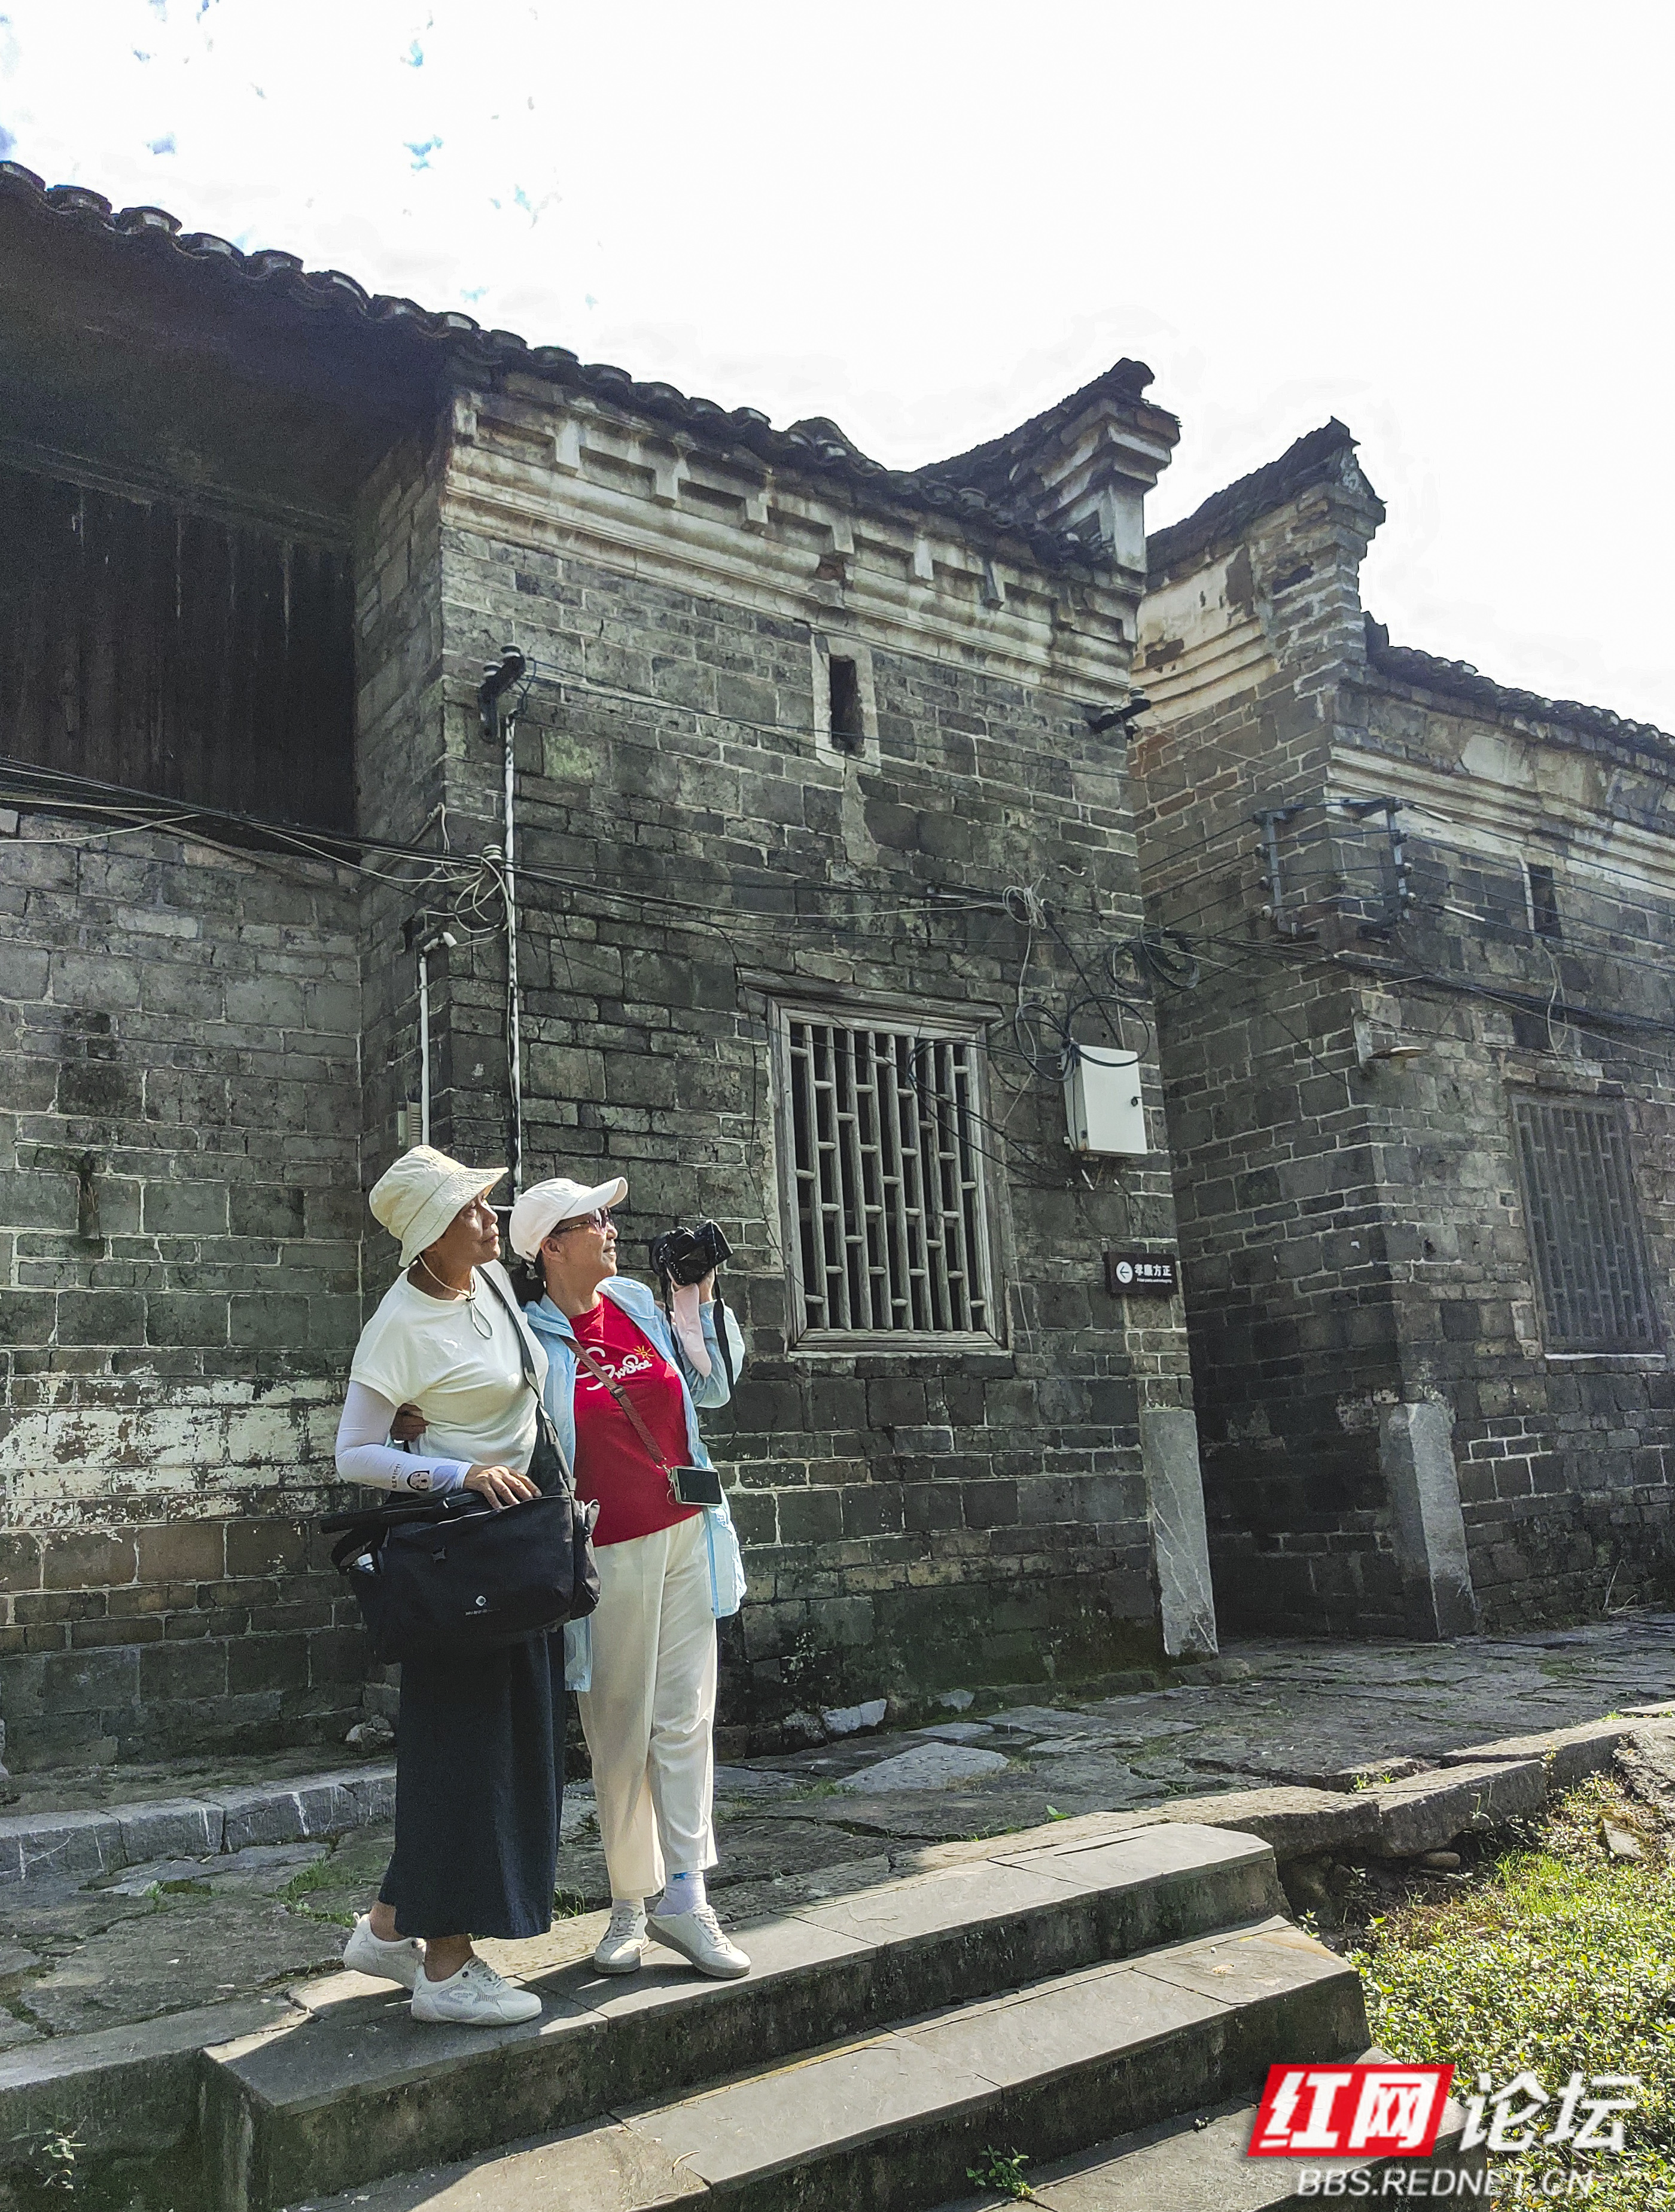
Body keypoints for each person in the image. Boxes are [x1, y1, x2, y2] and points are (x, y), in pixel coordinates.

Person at [330, 1145, 562, 2028]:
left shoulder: (492, 1284)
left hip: (514, 1545)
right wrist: (451, 1470)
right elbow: (354, 1450)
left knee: (504, 1738)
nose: (490, 1217)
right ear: (431, 1236)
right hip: (460, 1557)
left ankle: (391, 1927)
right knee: (466, 1747)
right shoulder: (398, 1321)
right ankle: (446, 1966)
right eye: (471, 1209)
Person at [511, 1173, 750, 1981]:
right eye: (593, 1219)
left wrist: (696, 1300)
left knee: (685, 1716)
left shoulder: (642, 1307)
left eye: (609, 1215)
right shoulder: (528, 1339)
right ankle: (627, 1903)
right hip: (604, 1553)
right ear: (552, 1244)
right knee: (619, 1727)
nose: (612, 1228)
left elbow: (714, 1386)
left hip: (687, 1532)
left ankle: (688, 1893)